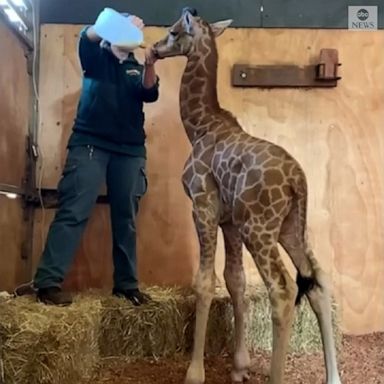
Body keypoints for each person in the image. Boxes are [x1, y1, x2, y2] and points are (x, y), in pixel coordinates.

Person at [32, 12, 159, 306]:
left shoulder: (135, 66)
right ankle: (48, 283)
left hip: (129, 150)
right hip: (90, 143)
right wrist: (119, 26)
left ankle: (126, 286)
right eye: (128, 27)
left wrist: (150, 64)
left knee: (126, 218)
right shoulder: (94, 54)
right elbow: (90, 33)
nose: (134, 30)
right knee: (74, 210)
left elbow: (149, 93)